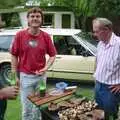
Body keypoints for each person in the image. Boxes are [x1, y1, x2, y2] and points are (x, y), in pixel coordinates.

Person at [10, 7, 56, 120]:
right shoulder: (20, 35)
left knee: (39, 105)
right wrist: (13, 77)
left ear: (41, 19)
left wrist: (46, 68)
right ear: (28, 19)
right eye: (32, 16)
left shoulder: (46, 37)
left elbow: (53, 55)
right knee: (27, 109)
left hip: (41, 79)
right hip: (26, 78)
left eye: (38, 16)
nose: (35, 18)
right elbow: (13, 55)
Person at [93, 17, 120, 119]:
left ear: (106, 30)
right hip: (98, 86)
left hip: (111, 90)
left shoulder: (118, 44)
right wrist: (95, 76)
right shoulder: (100, 43)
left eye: (96, 32)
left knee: (110, 115)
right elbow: (97, 61)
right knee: (98, 114)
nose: (95, 35)